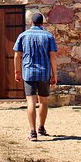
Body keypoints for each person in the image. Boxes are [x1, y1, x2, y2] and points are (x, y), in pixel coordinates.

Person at [13, 11, 58, 142]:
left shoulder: (23, 35)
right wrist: (55, 74)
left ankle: (32, 132)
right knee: (43, 101)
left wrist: (17, 72)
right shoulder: (48, 36)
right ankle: (41, 128)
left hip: (28, 73)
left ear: (31, 22)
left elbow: (17, 55)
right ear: (42, 23)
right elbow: (53, 57)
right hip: (44, 73)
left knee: (31, 102)